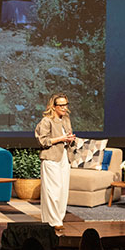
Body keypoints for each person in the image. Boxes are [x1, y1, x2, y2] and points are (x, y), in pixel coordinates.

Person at [35, 93, 76, 227]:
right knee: (53, 191)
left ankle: (59, 219)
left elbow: (67, 137)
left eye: (66, 105)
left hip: (64, 156)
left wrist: (70, 139)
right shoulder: (47, 121)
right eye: (61, 105)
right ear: (54, 106)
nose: (64, 108)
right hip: (51, 157)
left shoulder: (66, 120)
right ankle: (52, 221)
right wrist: (61, 139)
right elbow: (43, 141)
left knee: (63, 190)